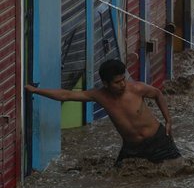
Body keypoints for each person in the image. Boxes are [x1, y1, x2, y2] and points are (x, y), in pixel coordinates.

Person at [25, 59, 185, 169]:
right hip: (132, 147)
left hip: (158, 140)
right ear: (106, 83)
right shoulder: (99, 95)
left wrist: (168, 120)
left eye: (123, 79)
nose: (122, 84)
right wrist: (37, 91)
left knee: (178, 169)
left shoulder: (137, 89)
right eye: (117, 82)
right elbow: (66, 95)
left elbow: (157, 94)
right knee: (120, 178)